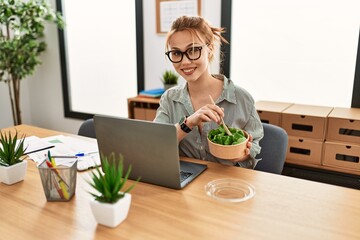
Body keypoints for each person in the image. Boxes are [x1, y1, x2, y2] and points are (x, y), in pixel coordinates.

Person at [154, 15, 263, 168]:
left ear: (210, 48)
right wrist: (188, 123)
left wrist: (242, 154)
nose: (185, 62)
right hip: (185, 184)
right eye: (177, 53)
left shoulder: (241, 98)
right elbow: (156, 144)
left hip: (227, 184)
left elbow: (253, 150)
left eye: (193, 50)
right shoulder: (169, 99)